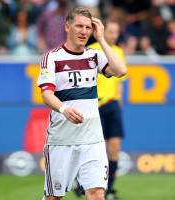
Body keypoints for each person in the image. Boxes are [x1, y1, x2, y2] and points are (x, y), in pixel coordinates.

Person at [37, 7, 126, 200]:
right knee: (54, 197)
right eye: (79, 26)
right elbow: (46, 94)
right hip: (62, 141)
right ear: (67, 27)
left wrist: (101, 39)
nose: (84, 31)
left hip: (92, 140)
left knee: (96, 194)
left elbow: (120, 70)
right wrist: (64, 108)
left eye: (88, 27)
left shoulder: (94, 56)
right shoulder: (52, 57)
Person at [89, 19, 126, 200]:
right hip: (96, 104)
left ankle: (109, 188)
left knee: (114, 147)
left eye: (116, 31)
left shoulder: (118, 51)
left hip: (112, 104)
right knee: (96, 149)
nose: (113, 34)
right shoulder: (93, 49)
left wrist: (119, 103)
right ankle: (90, 185)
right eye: (110, 31)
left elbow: (119, 82)